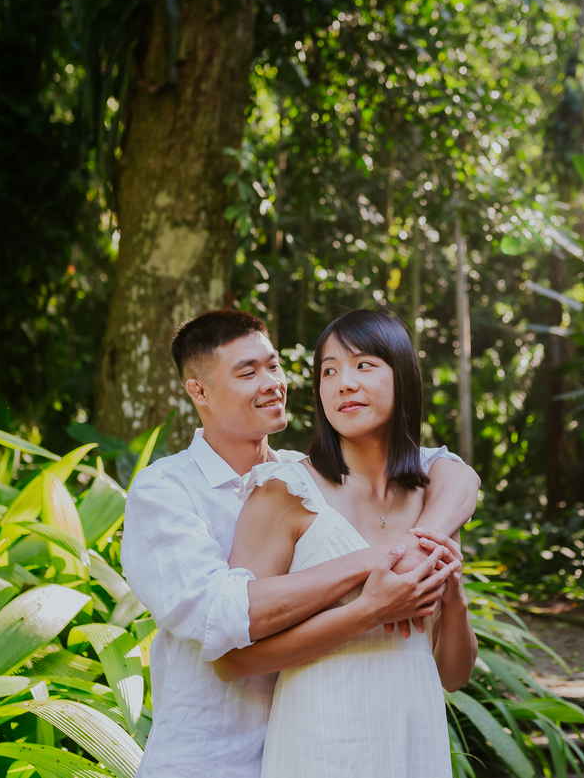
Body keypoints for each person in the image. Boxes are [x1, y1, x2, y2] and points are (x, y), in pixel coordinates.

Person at [120, 309, 480, 778]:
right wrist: (378, 567)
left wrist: (430, 555)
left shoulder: (314, 475)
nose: (271, 382)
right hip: (212, 756)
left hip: (348, 732)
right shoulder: (166, 491)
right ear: (199, 391)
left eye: (274, 366)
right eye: (248, 372)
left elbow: (445, 467)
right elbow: (222, 618)